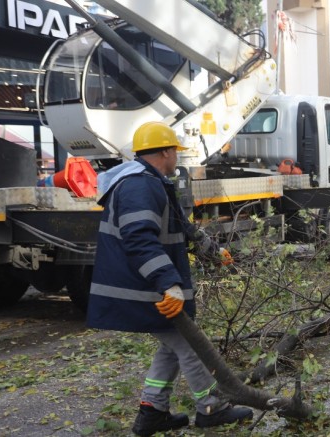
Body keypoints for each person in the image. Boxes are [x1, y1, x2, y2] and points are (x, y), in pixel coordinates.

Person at [86, 121, 252, 436]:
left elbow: (178, 224)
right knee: (188, 343)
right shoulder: (139, 185)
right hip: (147, 288)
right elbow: (139, 240)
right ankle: (211, 408)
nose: (177, 156)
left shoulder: (152, 181)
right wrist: (169, 284)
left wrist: (211, 249)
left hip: (146, 286)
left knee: (170, 346)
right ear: (165, 151)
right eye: (175, 150)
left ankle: (152, 412)